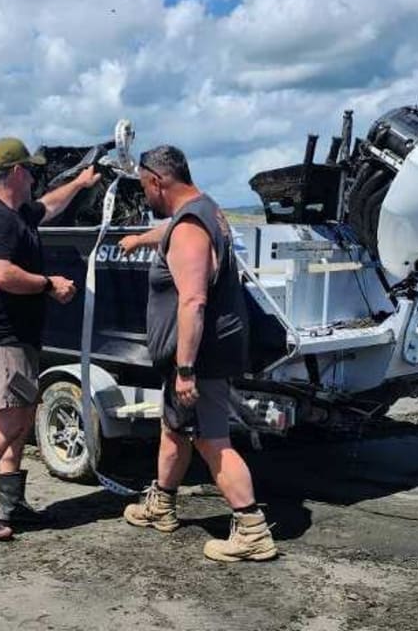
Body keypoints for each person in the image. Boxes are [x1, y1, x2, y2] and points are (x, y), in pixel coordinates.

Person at [121, 145, 277, 562]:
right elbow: (174, 232)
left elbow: (192, 302)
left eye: (143, 187)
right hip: (198, 353)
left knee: (212, 440)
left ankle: (252, 530)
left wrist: (186, 369)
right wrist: (140, 238)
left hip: (199, 357)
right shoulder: (204, 210)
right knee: (173, 430)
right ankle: (162, 505)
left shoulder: (190, 226)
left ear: (158, 181)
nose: (144, 196)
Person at [0, 137, 100, 539]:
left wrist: (82, 183)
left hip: (18, 335)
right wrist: (49, 283)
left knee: (19, 416)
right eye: (32, 171)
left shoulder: (18, 214)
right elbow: (1, 275)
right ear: (18, 172)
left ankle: (12, 504)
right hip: (0, 337)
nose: (36, 178)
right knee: (9, 417)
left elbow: (49, 205)